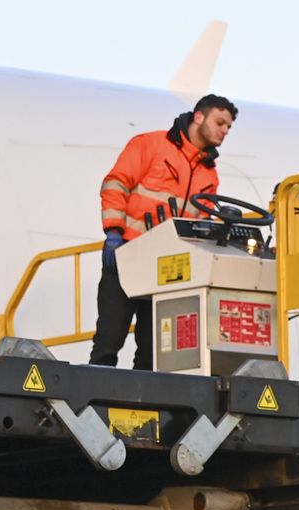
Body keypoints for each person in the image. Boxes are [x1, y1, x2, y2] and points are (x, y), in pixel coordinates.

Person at [90, 94, 237, 368]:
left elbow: (200, 225)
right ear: (198, 117)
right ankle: (95, 401)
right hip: (126, 254)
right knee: (109, 339)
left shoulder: (209, 174)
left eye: (228, 127)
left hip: (166, 270)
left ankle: (142, 406)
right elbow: (116, 184)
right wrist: (113, 232)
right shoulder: (150, 145)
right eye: (220, 123)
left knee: (152, 352)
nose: (224, 131)